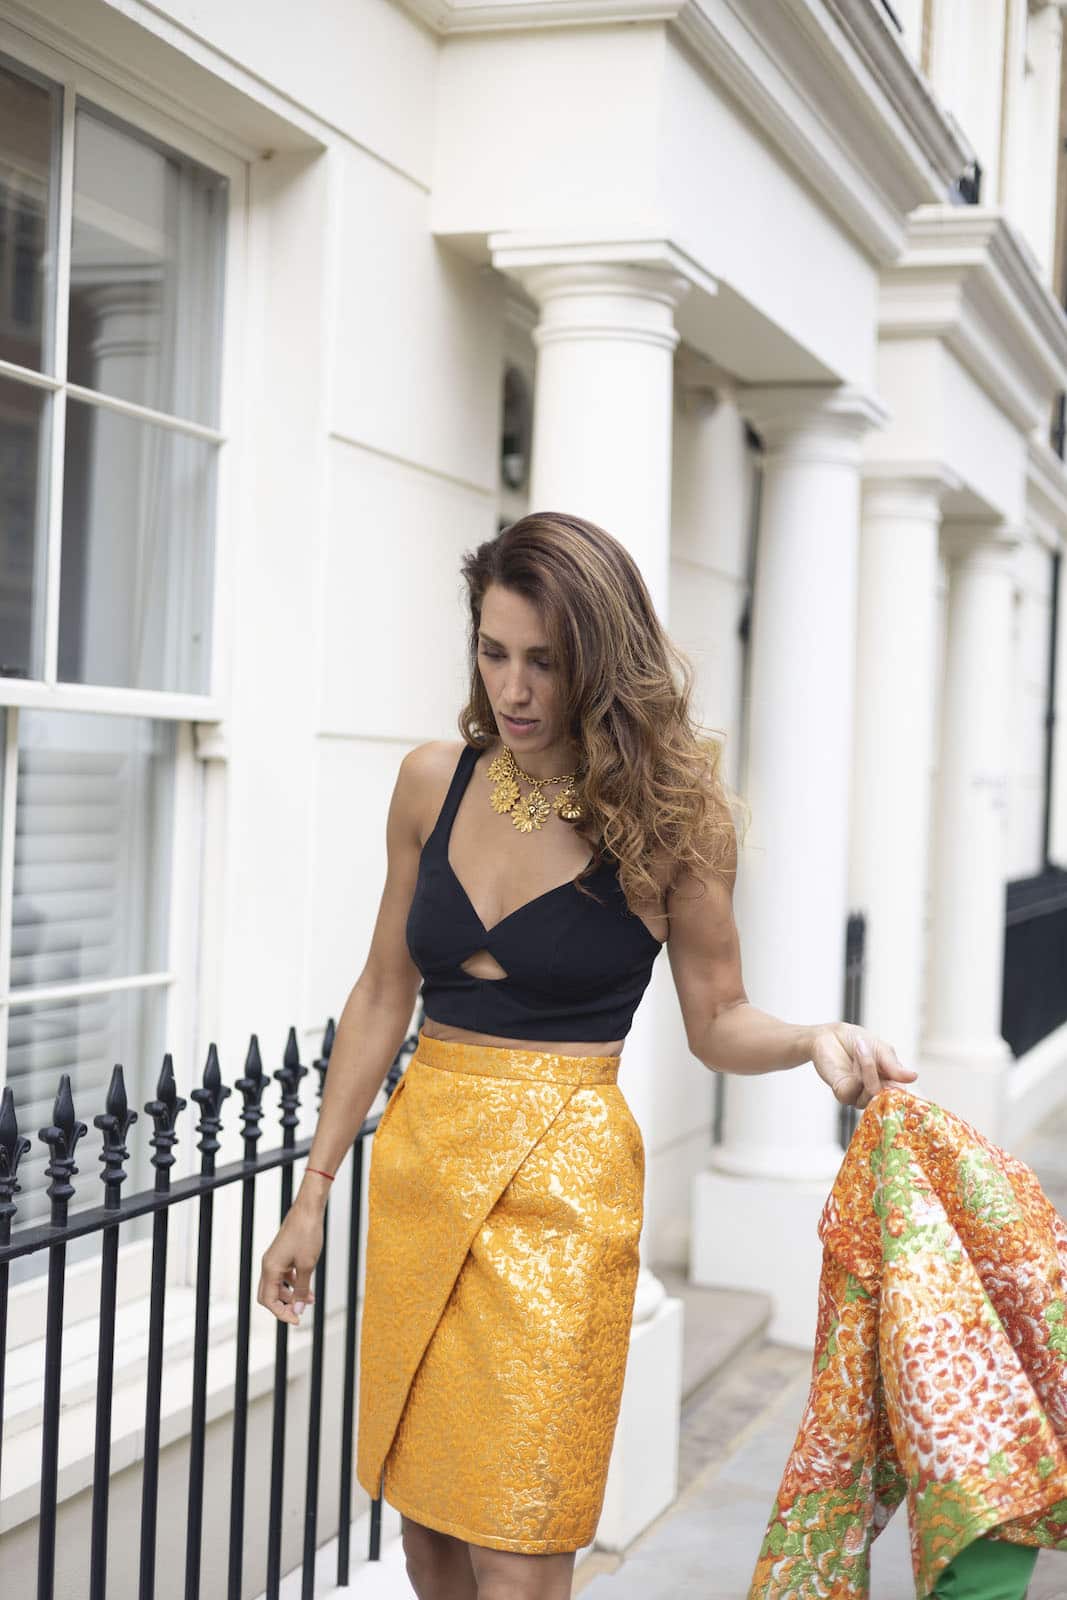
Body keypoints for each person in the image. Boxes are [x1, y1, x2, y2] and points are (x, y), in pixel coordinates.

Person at [257, 512, 915, 1600]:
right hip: (423, 1175)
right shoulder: (432, 781)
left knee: (518, 1544)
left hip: (562, 1190)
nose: (513, 689)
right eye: (493, 652)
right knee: (428, 1537)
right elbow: (381, 991)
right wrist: (314, 1191)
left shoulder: (674, 822)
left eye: (545, 662)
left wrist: (810, 1039)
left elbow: (717, 1016)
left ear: (601, 662)